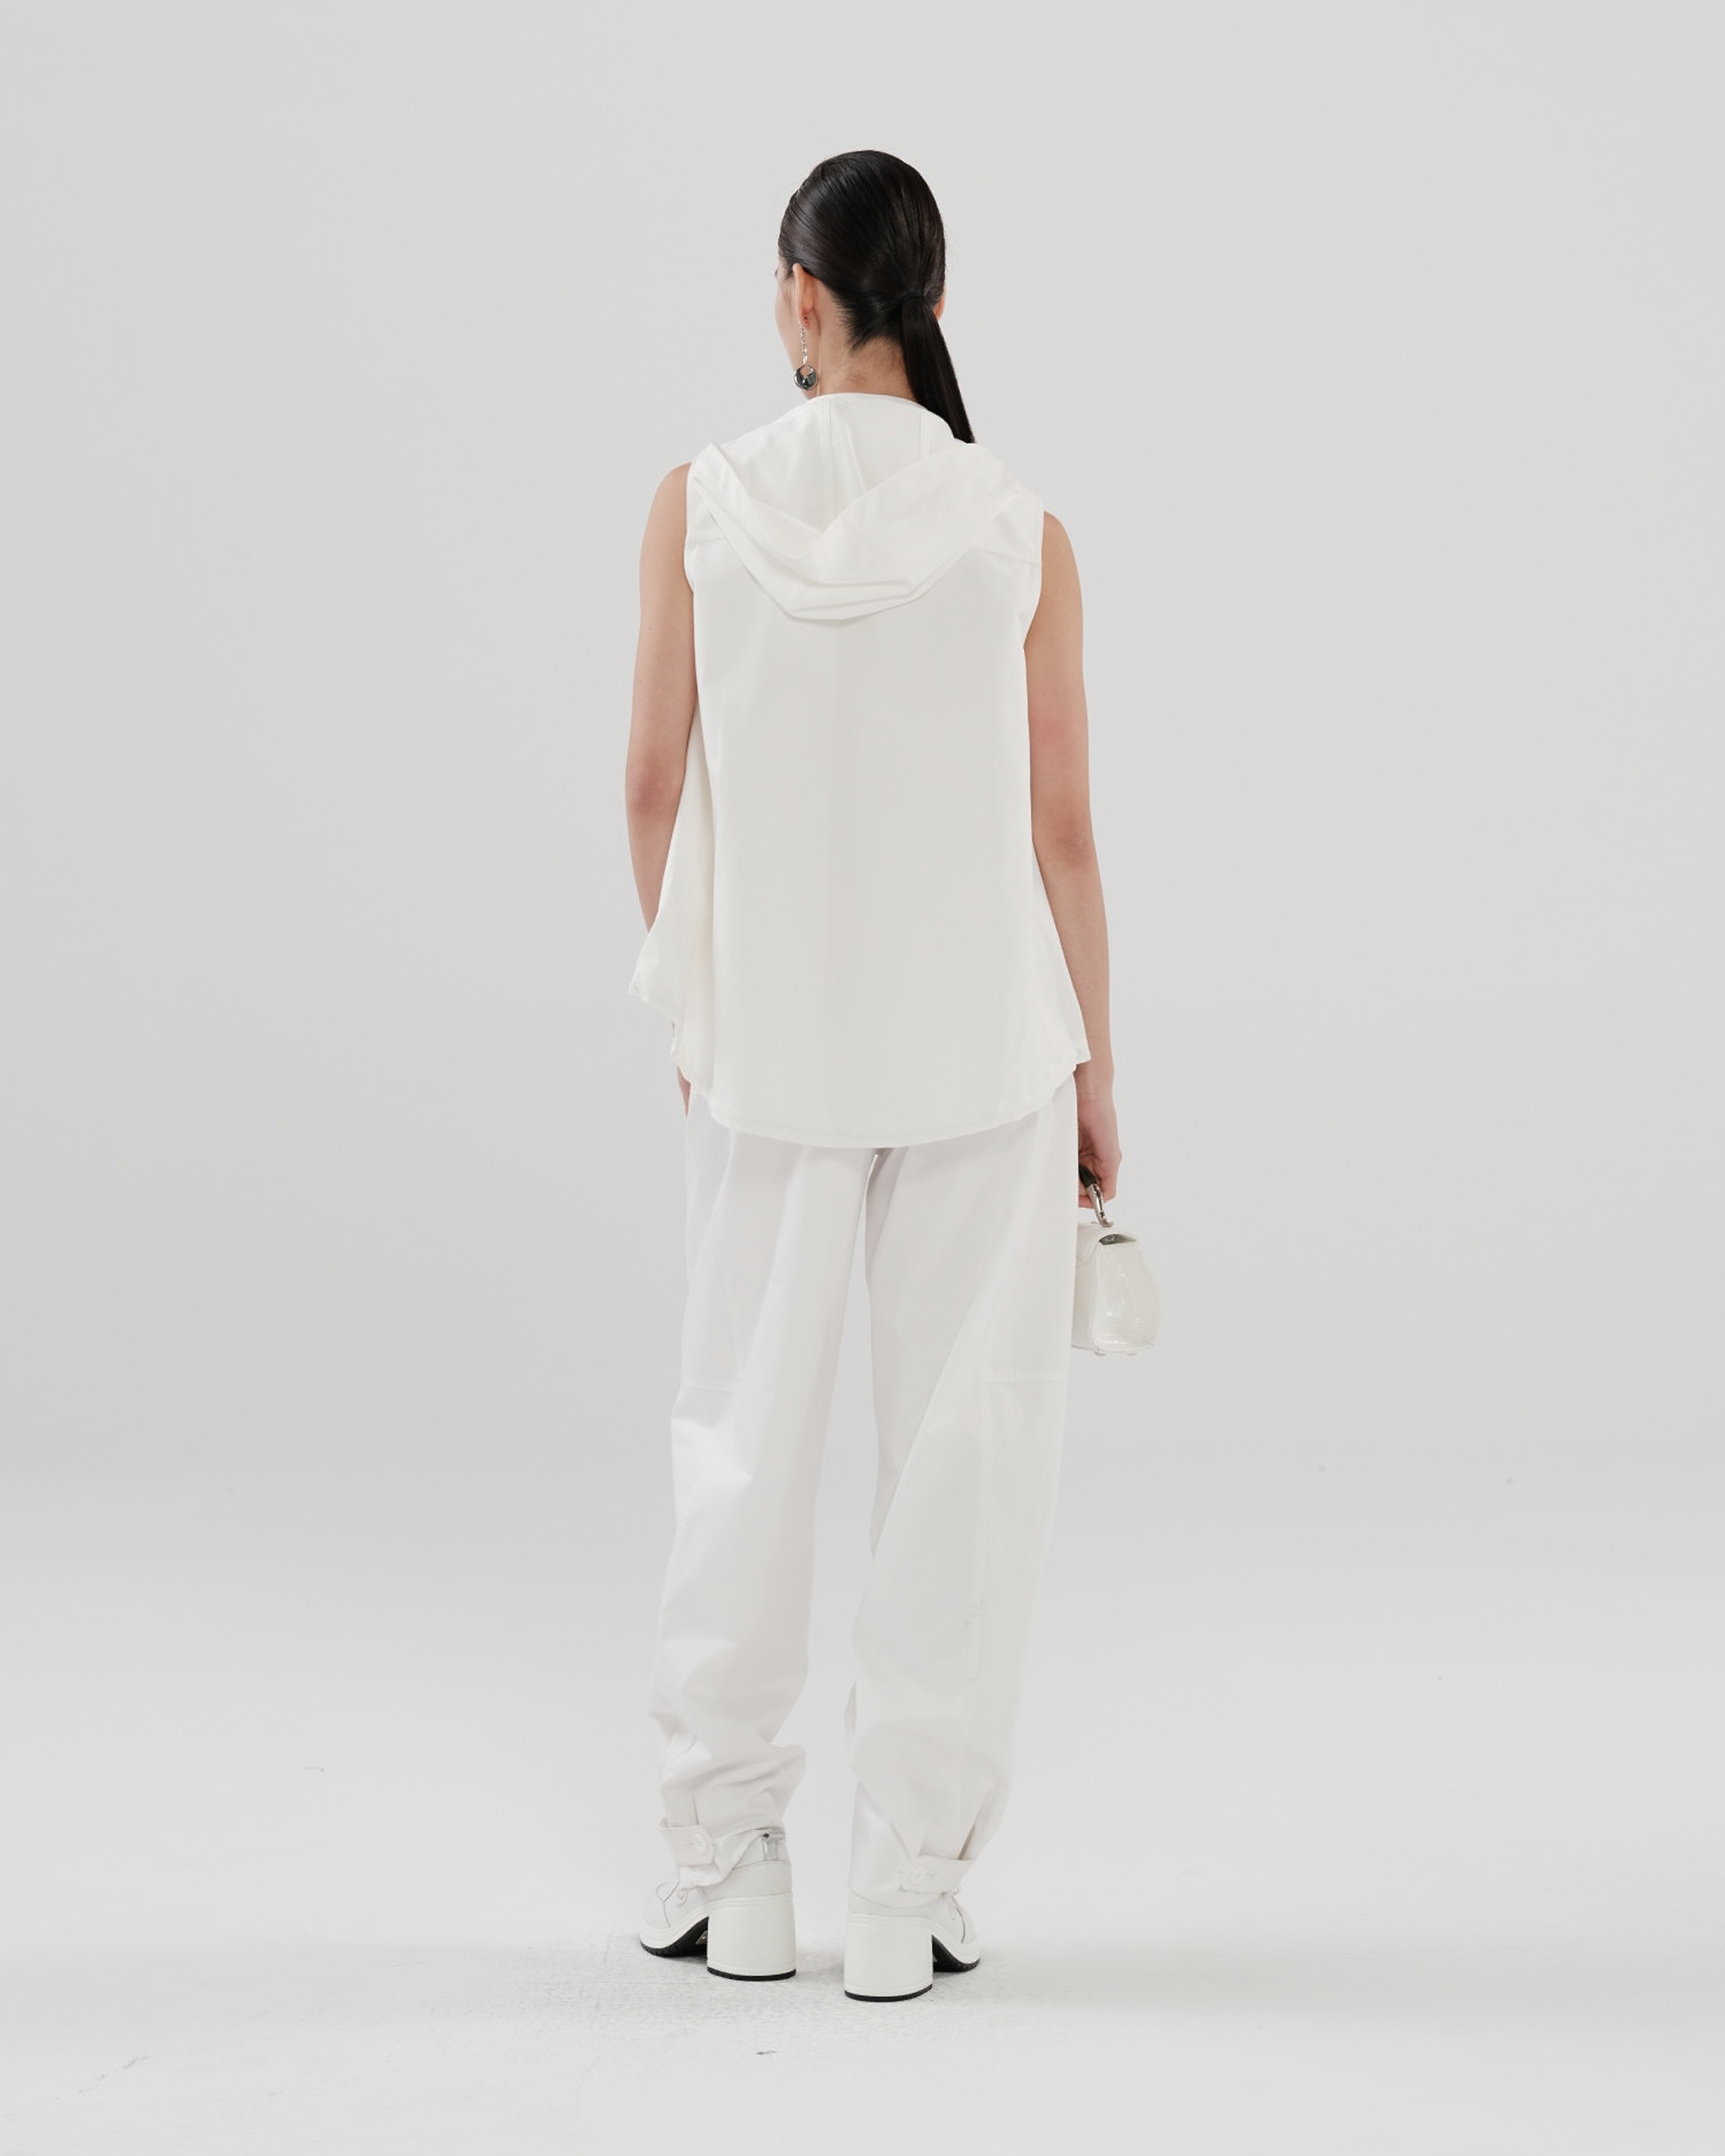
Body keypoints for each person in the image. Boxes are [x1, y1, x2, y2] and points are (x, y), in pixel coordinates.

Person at [623, 149, 1120, 2002]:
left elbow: (651, 786)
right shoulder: (1020, 531)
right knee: (965, 1456)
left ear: (801, 298)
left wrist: (698, 1000)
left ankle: (728, 1862)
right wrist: (1100, 1071)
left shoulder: (699, 504)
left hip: (771, 1050)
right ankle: (907, 1887)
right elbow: (1062, 830)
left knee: (742, 1439)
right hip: (986, 1047)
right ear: (931, 299)